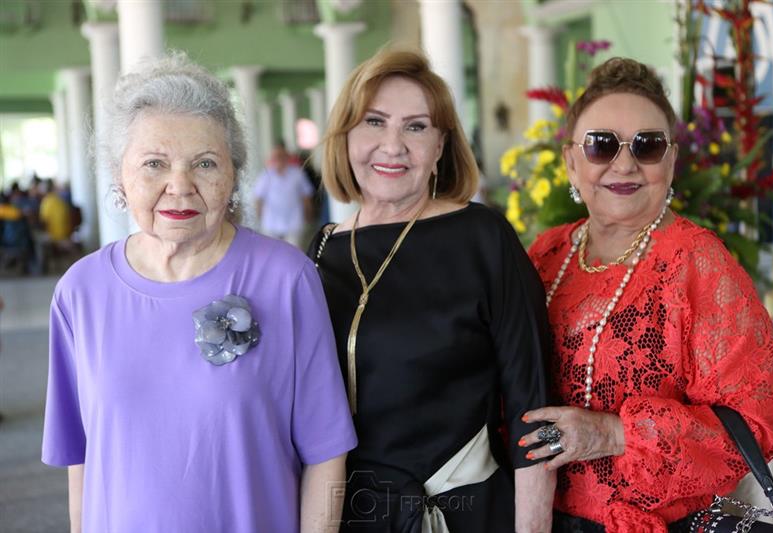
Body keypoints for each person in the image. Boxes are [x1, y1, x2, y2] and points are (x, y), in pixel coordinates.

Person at [41, 53, 357, 533]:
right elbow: (81, 461)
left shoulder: (286, 279)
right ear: (119, 176)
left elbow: (327, 453)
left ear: (233, 175)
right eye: (154, 164)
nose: (180, 186)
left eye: (205, 163)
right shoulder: (80, 292)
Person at [521, 57, 773, 532]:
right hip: (534, 516)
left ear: (671, 160)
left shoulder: (697, 263)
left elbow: (753, 424)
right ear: (571, 162)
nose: (624, 164)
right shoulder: (547, 253)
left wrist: (613, 433)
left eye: (648, 145)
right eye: (601, 145)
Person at [309, 48, 555, 533]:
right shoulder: (322, 251)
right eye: (374, 122)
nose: (393, 145)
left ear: (441, 145)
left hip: (462, 515)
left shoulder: (482, 237)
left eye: (416, 127)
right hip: (350, 516)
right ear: (346, 135)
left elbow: (534, 413)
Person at [253, 141, 314, 247]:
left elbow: (306, 196)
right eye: (276, 156)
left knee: (293, 253)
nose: (279, 159)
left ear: (287, 157)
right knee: (272, 254)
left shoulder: (297, 174)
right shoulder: (266, 175)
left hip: (293, 223)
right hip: (271, 224)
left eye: (281, 156)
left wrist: (308, 214)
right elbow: (258, 198)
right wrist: (259, 216)